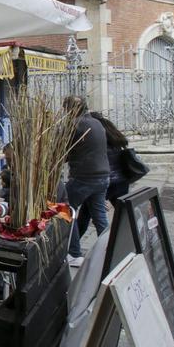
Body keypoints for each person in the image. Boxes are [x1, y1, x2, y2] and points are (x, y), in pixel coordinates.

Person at [63, 96, 110, 267]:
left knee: (67, 210)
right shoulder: (96, 122)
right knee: (100, 218)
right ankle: (111, 250)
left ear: (70, 109)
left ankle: (74, 253)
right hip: (103, 176)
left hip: (84, 177)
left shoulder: (74, 124)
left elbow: (62, 150)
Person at [90, 112, 131, 205]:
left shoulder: (96, 134)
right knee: (122, 212)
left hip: (107, 180)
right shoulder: (111, 131)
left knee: (88, 211)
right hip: (122, 179)